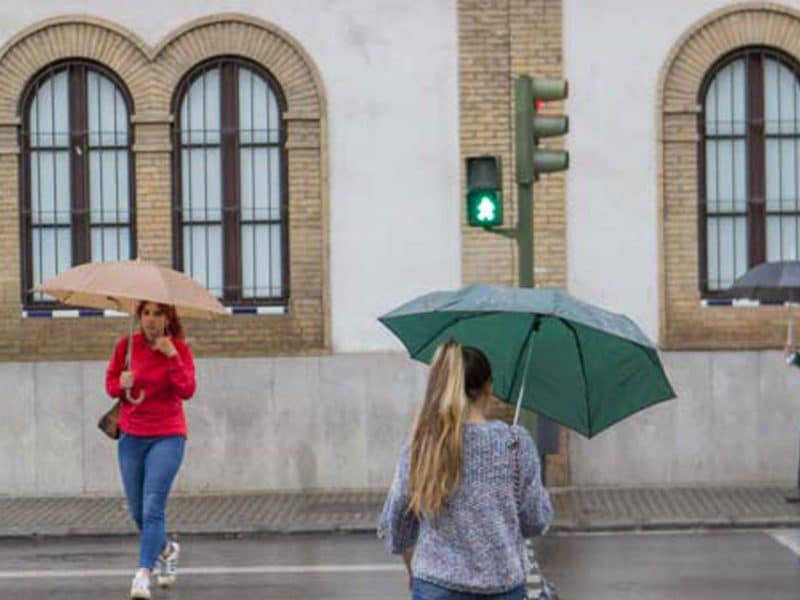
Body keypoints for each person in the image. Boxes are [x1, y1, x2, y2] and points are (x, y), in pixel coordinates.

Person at [378, 340, 553, 599]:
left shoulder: (422, 444)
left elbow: (396, 524)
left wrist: (413, 569)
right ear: (488, 387)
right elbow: (535, 521)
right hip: (502, 588)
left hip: (435, 586)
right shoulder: (516, 443)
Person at [105, 301, 196, 599]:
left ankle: (143, 574)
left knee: (153, 505)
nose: (151, 320)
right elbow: (110, 385)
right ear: (139, 316)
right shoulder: (125, 346)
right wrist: (120, 383)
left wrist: (171, 357)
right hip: (132, 435)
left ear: (168, 317)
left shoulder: (178, 348)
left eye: (158, 313)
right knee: (137, 510)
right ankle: (167, 550)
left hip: (168, 435)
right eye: (146, 313)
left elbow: (187, 390)